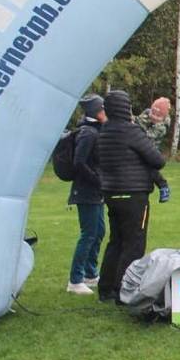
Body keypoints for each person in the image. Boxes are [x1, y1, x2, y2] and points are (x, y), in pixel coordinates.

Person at [95, 90, 168, 302]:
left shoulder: (104, 132)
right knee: (134, 244)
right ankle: (124, 290)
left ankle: (106, 289)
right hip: (134, 195)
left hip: (111, 193)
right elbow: (157, 160)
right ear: (126, 108)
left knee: (115, 241)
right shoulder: (131, 131)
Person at [66, 95, 106, 295]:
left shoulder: (95, 130)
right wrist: (98, 180)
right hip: (86, 191)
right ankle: (75, 280)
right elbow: (79, 163)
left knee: (99, 232)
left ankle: (91, 274)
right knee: (88, 234)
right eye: (103, 109)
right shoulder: (88, 133)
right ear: (96, 111)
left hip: (95, 191)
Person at [136, 97, 171, 198]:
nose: (154, 117)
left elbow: (147, 135)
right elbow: (139, 120)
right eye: (153, 113)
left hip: (151, 148)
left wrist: (135, 128)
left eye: (157, 116)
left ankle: (163, 186)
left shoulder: (161, 127)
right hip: (142, 147)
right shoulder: (146, 114)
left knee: (150, 168)